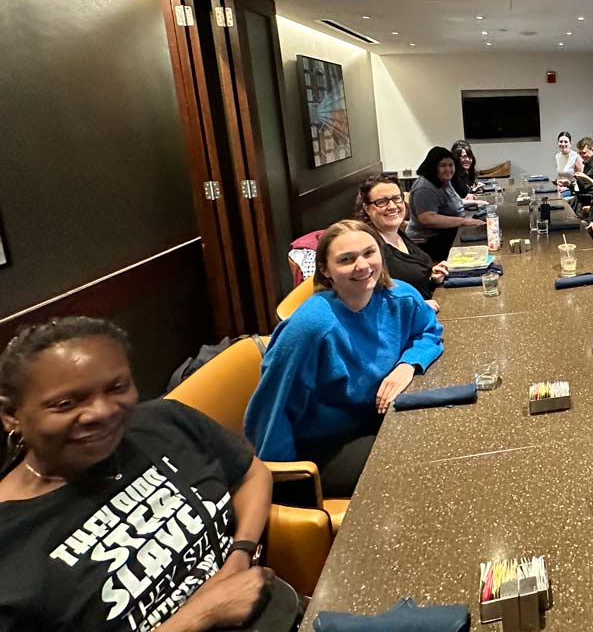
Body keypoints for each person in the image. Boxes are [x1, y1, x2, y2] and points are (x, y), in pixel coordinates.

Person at [0, 317, 277, 632]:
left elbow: (251, 473)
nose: (103, 412)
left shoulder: (164, 422)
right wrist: (200, 615)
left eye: (117, 387)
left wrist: (240, 554)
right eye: (65, 403)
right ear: (12, 415)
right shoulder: (10, 544)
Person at [245, 220, 444, 498]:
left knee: (444, 442)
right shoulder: (311, 327)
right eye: (346, 260)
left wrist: (407, 364)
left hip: (376, 422)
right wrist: (284, 485)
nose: (362, 266)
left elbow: (428, 330)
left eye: (369, 253)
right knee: (416, 471)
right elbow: (271, 408)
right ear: (325, 270)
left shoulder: (401, 296)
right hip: (323, 446)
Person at [357, 173, 448, 311]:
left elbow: (409, 280)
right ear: (367, 209)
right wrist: (416, 306)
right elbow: (369, 304)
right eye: (382, 202)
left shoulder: (397, 233)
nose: (392, 206)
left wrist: (431, 278)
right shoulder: (369, 248)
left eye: (396, 198)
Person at [406, 146, 488, 263]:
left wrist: (475, 202)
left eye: (451, 165)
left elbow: (452, 202)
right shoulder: (425, 188)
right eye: (443, 165)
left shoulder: (443, 180)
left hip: (445, 235)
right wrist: (463, 221)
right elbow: (427, 218)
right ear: (433, 166)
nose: (448, 169)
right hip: (427, 242)